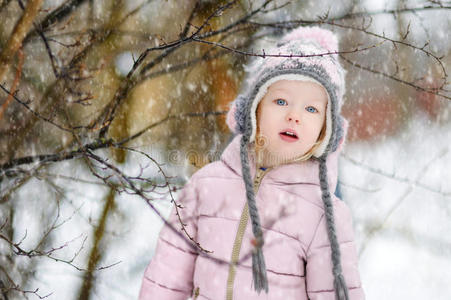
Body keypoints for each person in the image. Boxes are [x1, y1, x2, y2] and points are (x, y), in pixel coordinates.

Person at [139, 26, 365, 300]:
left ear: (326, 130)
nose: (294, 115)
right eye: (281, 101)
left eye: (311, 109)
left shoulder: (323, 215)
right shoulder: (206, 186)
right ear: (253, 109)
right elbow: (166, 279)